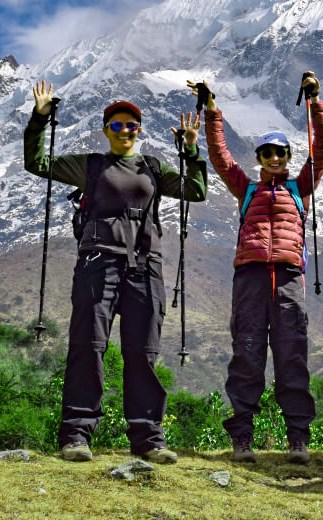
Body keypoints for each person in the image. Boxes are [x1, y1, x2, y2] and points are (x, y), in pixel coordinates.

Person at [23, 81, 207, 464]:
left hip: (146, 268)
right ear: (106, 130)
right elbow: (37, 163)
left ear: (139, 131)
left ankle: (148, 440)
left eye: (132, 126)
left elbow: (196, 190)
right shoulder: (89, 165)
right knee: (88, 348)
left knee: (143, 353)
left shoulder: (153, 168)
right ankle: (76, 436)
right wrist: (40, 119)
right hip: (97, 264)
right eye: (117, 126)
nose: (125, 131)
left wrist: (190, 148)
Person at [195, 74, 323, 465]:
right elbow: (220, 156)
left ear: (288, 158)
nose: (274, 158)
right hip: (250, 279)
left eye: (280, 153)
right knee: (247, 354)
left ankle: (298, 440)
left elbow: (321, 151)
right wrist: (212, 110)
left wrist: (315, 103)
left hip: (288, 279)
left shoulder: (299, 189)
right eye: (267, 153)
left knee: (292, 357)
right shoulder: (246, 188)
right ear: (258, 159)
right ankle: (242, 438)